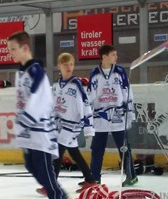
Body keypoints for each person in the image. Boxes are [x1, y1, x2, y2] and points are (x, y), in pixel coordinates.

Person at [6, 31, 67, 199]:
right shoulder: (21, 72)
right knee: (30, 166)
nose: (11, 53)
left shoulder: (36, 71)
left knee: (44, 170)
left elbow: (41, 100)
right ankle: (59, 195)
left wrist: (24, 121)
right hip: (28, 133)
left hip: (40, 132)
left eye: (13, 49)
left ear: (25, 48)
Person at [88, 44, 137, 186]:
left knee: (124, 148)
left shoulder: (120, 71)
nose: (116, 56)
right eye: (113, 54)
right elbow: (90, 95)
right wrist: (88, 116)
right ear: (104, 56)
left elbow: (128, 93)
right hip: (100, 117)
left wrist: (130, 114)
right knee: (97, 149)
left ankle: (131, 176)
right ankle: (95, 178)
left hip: (119, 117)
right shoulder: (95, 73)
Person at [52, 53, 97, 190]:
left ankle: (51, 184)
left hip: (72, 125)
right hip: (61, 124)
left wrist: (88, 126)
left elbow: (85, 104)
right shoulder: (56, 85)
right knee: (74, 153)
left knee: (58, 152)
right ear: (59, 66)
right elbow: (54, 105)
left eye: (71, 64)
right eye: (65, 64)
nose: (69, 67)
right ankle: (90, 180)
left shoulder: (76, 84)